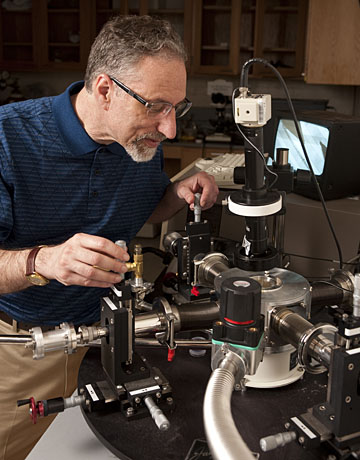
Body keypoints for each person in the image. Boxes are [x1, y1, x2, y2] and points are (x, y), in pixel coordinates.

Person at [0, 14, 218, 460]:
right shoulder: (7, 138)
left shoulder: (137, 145)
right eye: (155, 106)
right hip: (20, 351)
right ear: (105, 90)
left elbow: (138, 211)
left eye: (176, 107)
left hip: (107, 341)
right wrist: (44, 261)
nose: (170, 128)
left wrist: (175, 195)